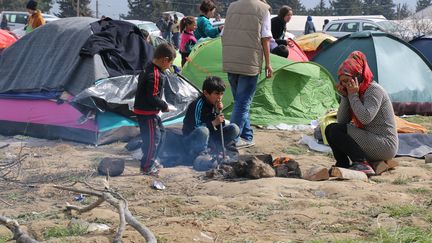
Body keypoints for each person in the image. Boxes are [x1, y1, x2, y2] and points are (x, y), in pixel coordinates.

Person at [325, 51, 398, 175]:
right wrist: (345, 97)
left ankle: (361, 163)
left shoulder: (374, 90)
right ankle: (342, 164)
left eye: (347, 80)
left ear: (358, 77)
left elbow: (365, 118)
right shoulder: (355, 92)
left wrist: (353, 95)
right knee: (331, 129)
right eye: (342, 81)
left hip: (385, 144)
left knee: (335, 130)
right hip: (370, 139)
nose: (345, 84)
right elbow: (342, 121)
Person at [222, 0, 272, 148]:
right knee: (243, 102)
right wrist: (268, 64)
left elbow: (223, 34)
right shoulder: (263, 9)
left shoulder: (232, 6)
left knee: (240, 101)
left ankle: (247, 135)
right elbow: (265, 39)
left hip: (231, 60)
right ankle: (232, 139)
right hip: (249, 61)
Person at [133, 43, 177, 175]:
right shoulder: (155, 74)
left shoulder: (149, 68)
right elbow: (152, 96)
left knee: (161, 134)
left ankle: (153, 160)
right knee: (153, 140)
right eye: (170, 63)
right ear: (164, 60)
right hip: (147, 113)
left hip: (148, 111)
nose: (170, 66)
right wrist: (164, 106)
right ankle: (146, 167)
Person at [183, 76, 240, 170]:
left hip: (210, 139)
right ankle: (201, 156)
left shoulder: (215, 104)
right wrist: (213, 122)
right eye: (217, 94)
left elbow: (219, 128)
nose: (220, 97)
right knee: (203, 130)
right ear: (206, 93)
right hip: (193, 140)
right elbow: (196, 128)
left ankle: (230, 154)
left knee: (234, 128)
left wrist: (218, 112)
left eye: (222, 94)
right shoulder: (197, 104)